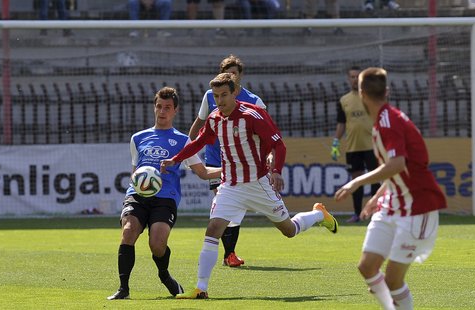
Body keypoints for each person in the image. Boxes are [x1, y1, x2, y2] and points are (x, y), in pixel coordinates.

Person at [162, 73, 338, 299]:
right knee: (213, 229)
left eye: (224, 95)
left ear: (234, 92)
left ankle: (318, 214)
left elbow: (279, 146)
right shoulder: (215, 118)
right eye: (215, 96)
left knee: (289, 230)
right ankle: (200, 288)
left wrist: (276, 171)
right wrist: (175, 159)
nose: (220, 100)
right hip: (230, 186)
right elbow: (199, 142)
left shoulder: (252, 115)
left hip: (258, 184)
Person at [334, 67, 446, 310]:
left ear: (361, 93)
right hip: (393, 203)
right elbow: (395, 169)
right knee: (367, 267)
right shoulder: (384, 120)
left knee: (393, 280)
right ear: (387, 91)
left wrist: (356, 182)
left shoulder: (388, 121)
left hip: (417, 207)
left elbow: (397, 163)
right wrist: (377, 195)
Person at [107, 87, 222, 300]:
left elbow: (203, 172)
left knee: (157, 244)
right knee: (128, 232)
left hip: (165, 198)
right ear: (154, 107)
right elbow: (136, 172)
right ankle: (123, 288)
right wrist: (138, 185)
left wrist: (231, 168)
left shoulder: (183, 141)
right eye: (159, 106)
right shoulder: (138, 138)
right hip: (138, 196)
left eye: (167, 107)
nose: (162, 111)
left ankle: (164, 275)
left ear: (175, 110)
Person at [188, 55, 265, 268]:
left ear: (240, 76)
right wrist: (187, 145)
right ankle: (229, 254)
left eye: (235, 73)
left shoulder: (255, 101)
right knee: (225, 207)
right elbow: (199, 123)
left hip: (243, 163)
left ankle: (228, 253)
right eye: (227, 72)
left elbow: (265, 133)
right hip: (215, 159)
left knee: (234, 209)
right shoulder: (210, 96)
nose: (231, 76)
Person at [331, 66, 380, 223]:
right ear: (348, 79)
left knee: (375, 179)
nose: (354, 79)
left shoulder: (371, 97)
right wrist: (336, 142)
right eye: (352, 76)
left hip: (372, 145)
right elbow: (341, 123)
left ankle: (375, 213)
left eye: (357, 76)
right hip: (353, 147)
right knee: (355, 180)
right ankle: (357, 214)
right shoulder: (344, 100)